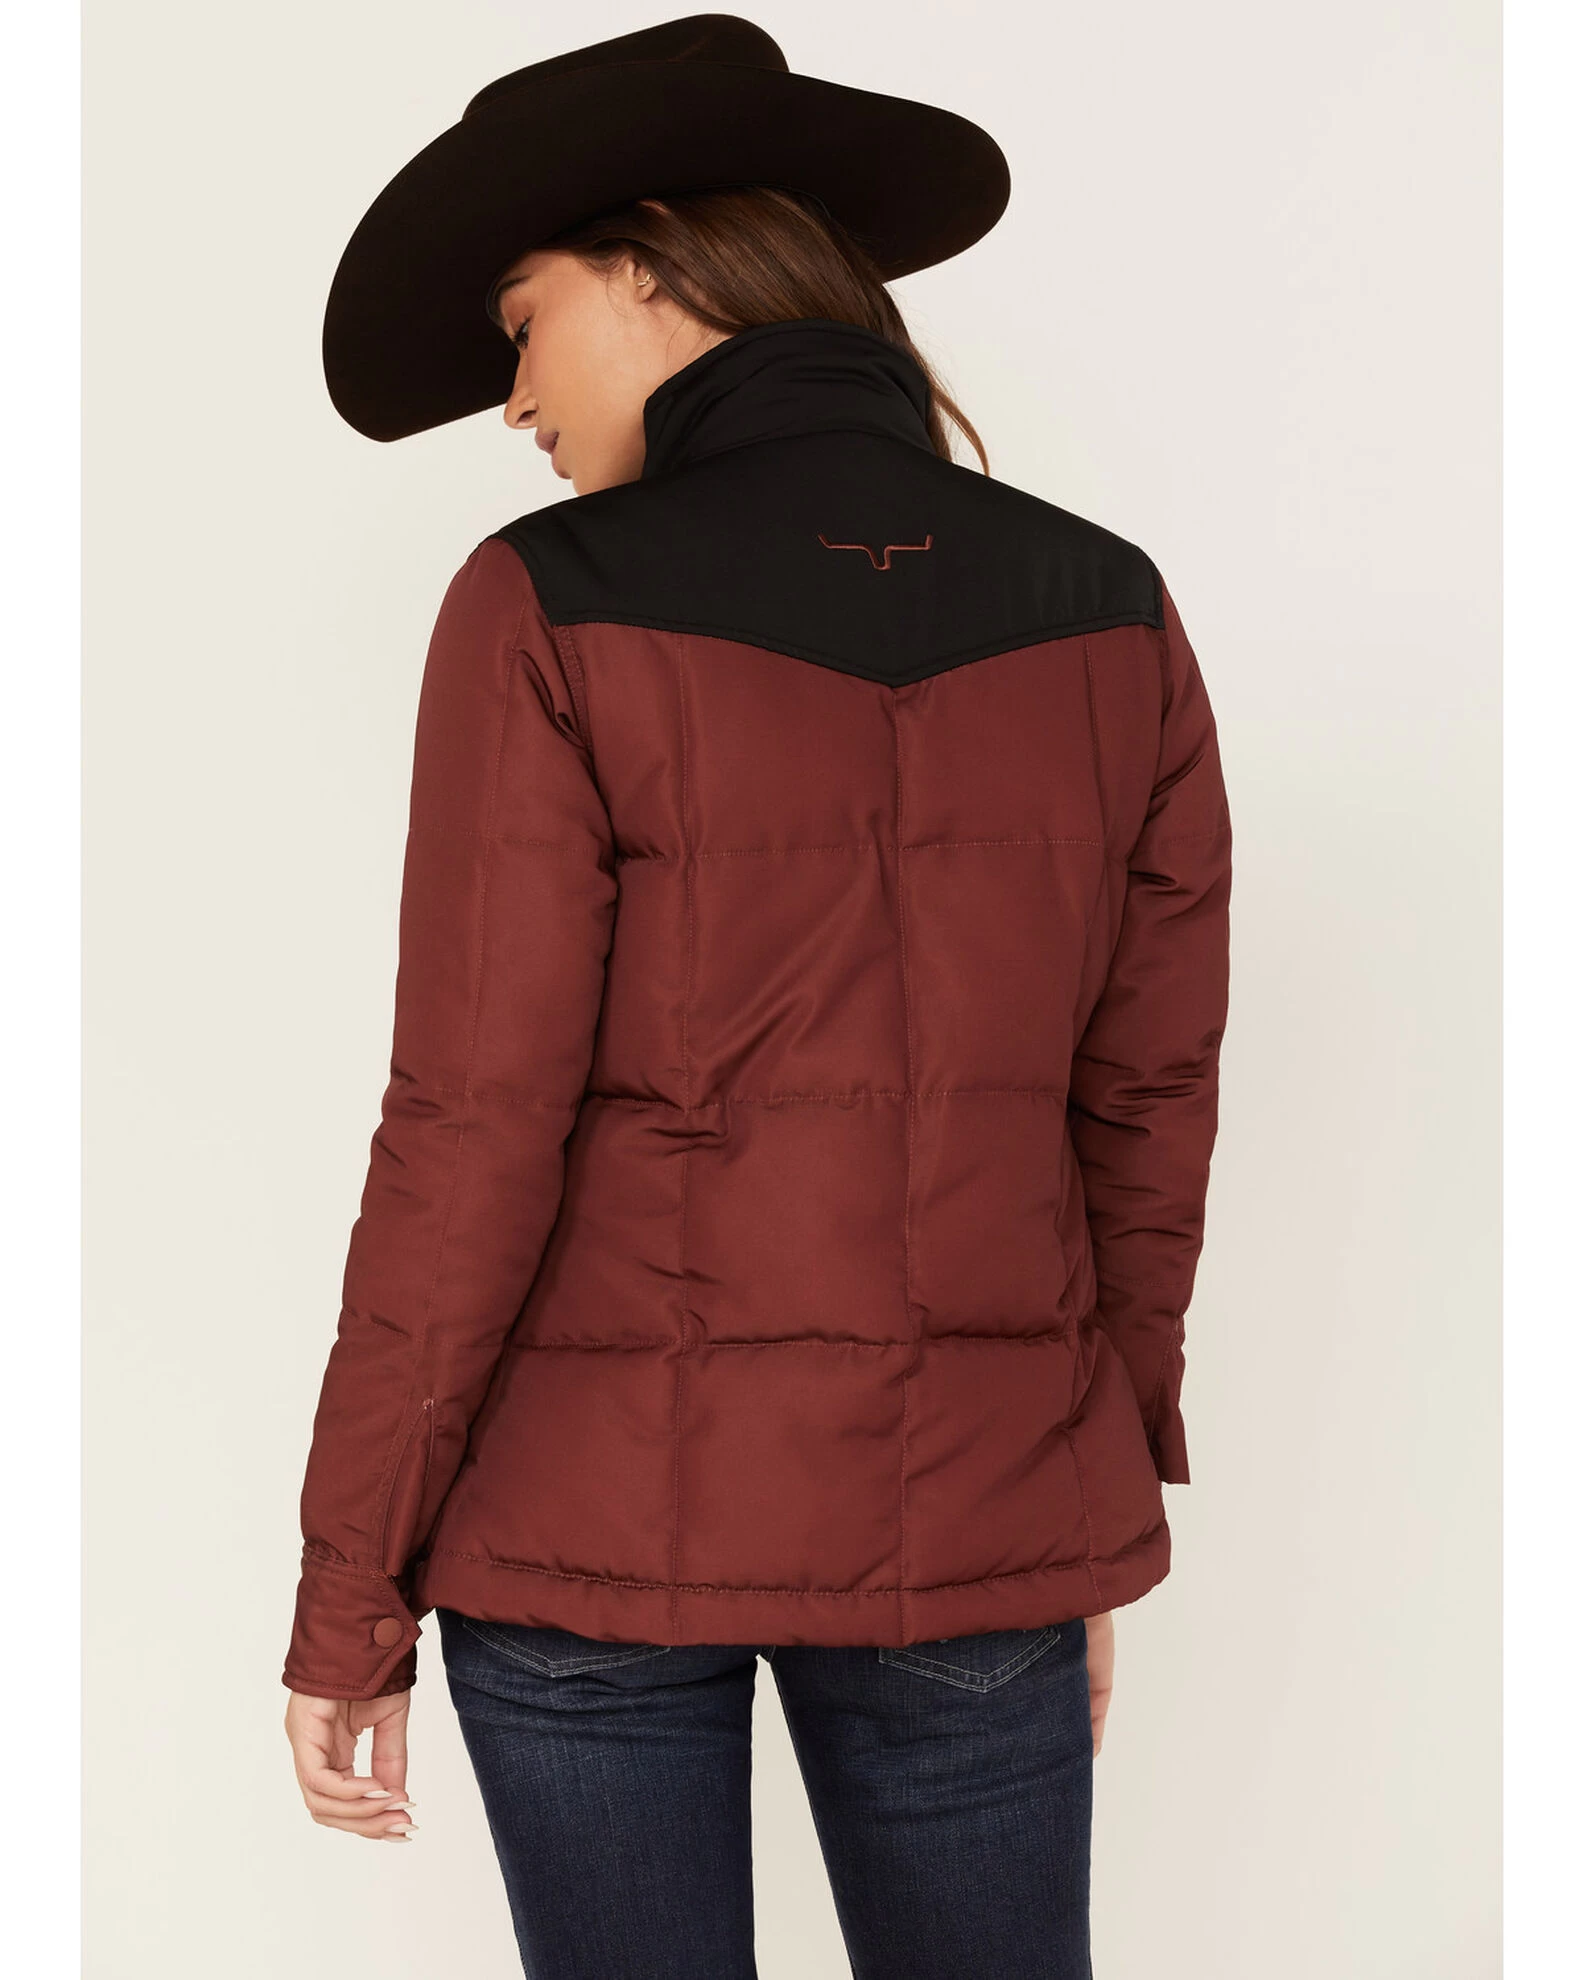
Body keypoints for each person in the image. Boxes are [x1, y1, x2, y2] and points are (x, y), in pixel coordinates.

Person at [280, 16, 1232, 1979]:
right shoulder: (1113, 609)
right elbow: (1145, 1102)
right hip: (986, 1510)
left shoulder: (546, 602)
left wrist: (350, 1582)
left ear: (652, 262)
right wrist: (1078, 1488)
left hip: (583, 1539)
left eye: (522, 325)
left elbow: (470, 1123)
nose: (513, 398)